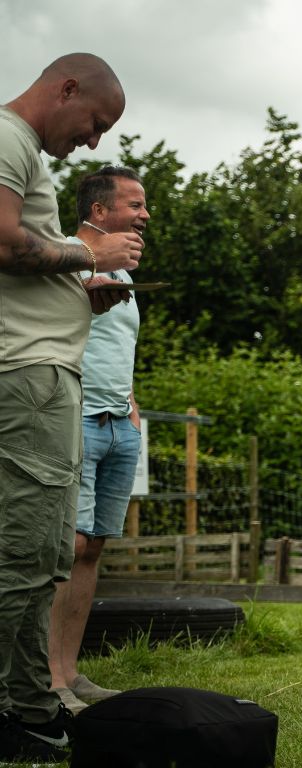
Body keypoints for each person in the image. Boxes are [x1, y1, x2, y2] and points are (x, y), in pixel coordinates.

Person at [0, 54, 142, 763]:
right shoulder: (5, 139)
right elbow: (0, 240)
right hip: (24, 378)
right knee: (23, 554)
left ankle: (31, 709)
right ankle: (10, 710)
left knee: (45, 554)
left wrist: (77, 292)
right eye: (94, 122)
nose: (91, 142)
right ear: (65, 90)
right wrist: (88, 256)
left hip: (49, 376)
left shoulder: (23, 152)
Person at [47, 167, 149, 714]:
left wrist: (131, 404)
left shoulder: (125, 274)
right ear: (100, 211)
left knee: (95, 548)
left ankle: (71, 671)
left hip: (118, 425)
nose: (144, 214)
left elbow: (118, 345)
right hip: (75, 416)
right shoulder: (62, 257)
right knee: (70, 547)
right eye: (134, 204)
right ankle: (48, 680)